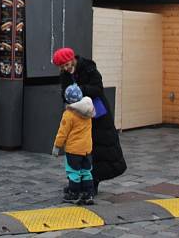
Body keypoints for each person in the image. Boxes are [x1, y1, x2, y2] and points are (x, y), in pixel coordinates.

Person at [54, 47, 126, 193]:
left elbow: (98, 89)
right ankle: (76, 182)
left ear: (72, 59)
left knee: (98, 148)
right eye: (62, 67)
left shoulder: (89, 68)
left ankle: (93, 182)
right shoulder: (65, 74)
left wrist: (80, 90)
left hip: (98, 114)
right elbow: (65, 93)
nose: (65, 68)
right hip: (77, 116)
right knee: (77, 148)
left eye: (66, 65)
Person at [53, 83, 96, 205]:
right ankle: (88, 194)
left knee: (73, 172)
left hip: (74, 150)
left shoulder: (69, 114)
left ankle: (74, 193)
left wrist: (57, 146)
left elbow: (63, 132)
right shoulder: (89, 111)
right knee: (86, 171)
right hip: (87, 149)